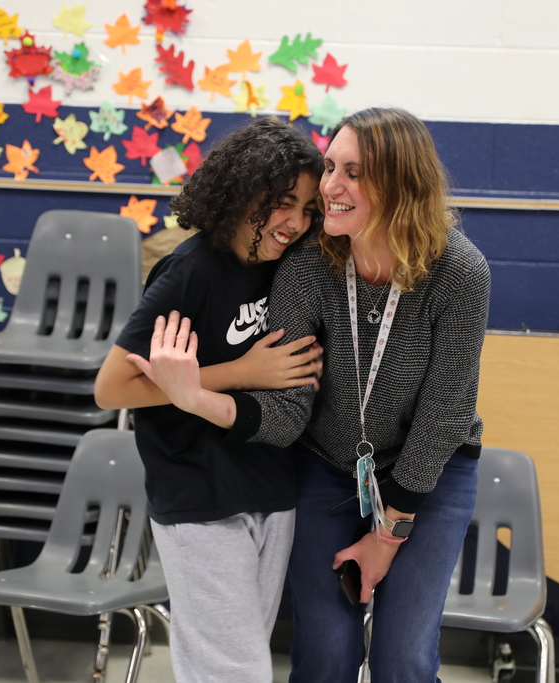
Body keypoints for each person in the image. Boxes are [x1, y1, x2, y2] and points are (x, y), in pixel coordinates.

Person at [137, 107, 491, 682]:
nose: (330, 187)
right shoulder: (309, 262)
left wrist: (387, 535)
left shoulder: (459, 270)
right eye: (330, 167)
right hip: (328, 465)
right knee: (326, 653)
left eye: (354, 173)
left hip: (430, 473)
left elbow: (445, 413)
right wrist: (194, 397)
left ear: (401, 184)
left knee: (403, 658)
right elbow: (286, 411)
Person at [94, 117, 324, 683]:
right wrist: (243, 372)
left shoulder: (287, 269)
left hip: (271, 486)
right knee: (235, 673)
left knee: (238, 663)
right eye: (282, 203)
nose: (295, 222)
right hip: (198, 492)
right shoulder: (190, 271)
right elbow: (113, 387)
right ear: (241, 193)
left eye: (307, 209)